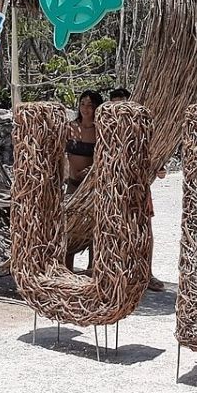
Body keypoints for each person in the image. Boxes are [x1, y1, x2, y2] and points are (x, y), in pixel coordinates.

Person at [109, 87, 166, 292]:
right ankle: (119, 274)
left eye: (123, 103)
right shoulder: (107, 129)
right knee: (116, 230)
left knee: (144, 229)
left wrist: (159, 168)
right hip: (114, 187)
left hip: (139, 186)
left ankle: (146, 274)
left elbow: (153, 154)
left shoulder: (140, 128)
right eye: (115, 104)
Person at [63, 90, 102, 273]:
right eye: (83, 104)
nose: (86, 108)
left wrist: (91, 171)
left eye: (91, 105)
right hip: (73, 182)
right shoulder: (70, 127)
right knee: (69, 224)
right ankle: (67, 267)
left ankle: (91, 267)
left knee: (94, 225)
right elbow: (61, 152)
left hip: (91, 185)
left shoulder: (100, 130)